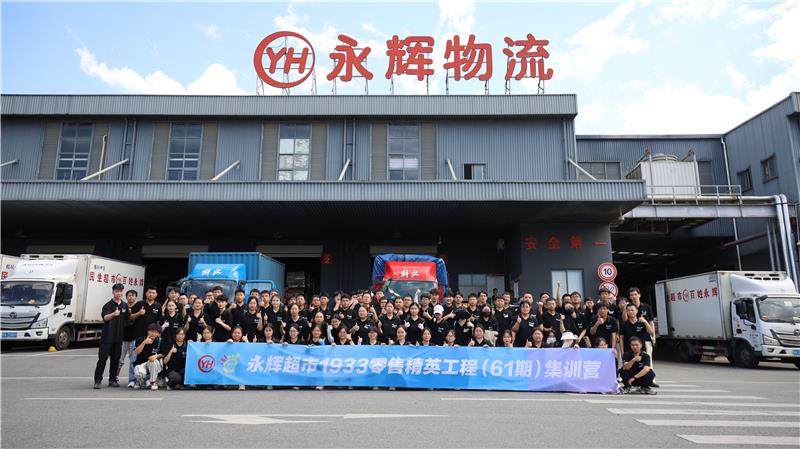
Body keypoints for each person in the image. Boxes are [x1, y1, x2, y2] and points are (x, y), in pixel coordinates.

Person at [94, 283, 130, 389]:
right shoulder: (108, 305)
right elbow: (105, 317)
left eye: (120, 291)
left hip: (118, 338)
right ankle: (97, 380)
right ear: (113, 292)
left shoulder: (124, 305)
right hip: (107, 338)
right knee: (102, 360)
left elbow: (128, 318)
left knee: (115, 360)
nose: (119, 293)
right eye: (116, 291)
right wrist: (113, 314)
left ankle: (112, 380)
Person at [118, 289, 139, 388]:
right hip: (122, 337)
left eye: (133, 295)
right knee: (119, 359)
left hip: (134, 337)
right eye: (129, 295)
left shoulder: (138, 307)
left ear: (136, 297)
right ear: (126, 297)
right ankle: (115, 377)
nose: (131, 297)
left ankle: (132, 380)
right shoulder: (122, 306)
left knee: (133, 360)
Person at [133, 323, 164, 390]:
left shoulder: (160, 341)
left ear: (158, 334)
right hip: (141, 363)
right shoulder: (140, 339)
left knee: (153, 362)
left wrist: (156, 356)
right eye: (152, 331)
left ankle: (153, 382)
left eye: (156, 332)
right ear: (148, 331)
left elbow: (163, 354)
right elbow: (136, 352)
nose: (153, 334)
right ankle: (139, 381)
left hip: (153, 363)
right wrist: (144, 343)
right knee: (140, 373)